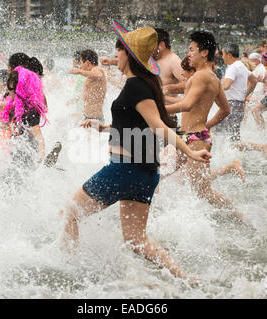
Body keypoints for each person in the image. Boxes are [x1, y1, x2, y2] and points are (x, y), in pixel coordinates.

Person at [61, 21, 212, 283]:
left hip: (124, 170)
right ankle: (187, 278)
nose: (115, 55)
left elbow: (158, 126)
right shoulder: (142, 85)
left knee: (71, 211)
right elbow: (138, 123)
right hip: (144, 173)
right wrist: (105, 127)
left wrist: (190, 151)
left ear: (128, 55)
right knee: (136, 239)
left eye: (119, 50)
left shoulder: (136, 87)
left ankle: (69, 270)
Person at [164, 32, 244, 223]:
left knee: (203, 191)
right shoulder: (213, 77)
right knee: (161, 174)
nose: (188, 54)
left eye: (192, 49)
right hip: (192, 136)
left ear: (205, 52)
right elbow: (225, 110)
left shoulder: (202, 76)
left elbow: (187, 105)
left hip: (195, 140)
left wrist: (157, 110)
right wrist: (204, 126)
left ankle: (239, 217)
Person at [217, 43, 267, 157]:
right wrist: (244, 95)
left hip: (231, 106)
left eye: (223, 54)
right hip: (238, 105)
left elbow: (226, 85)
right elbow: (254, 80)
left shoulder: (232, 67)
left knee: (227, 137)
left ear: (229, 55)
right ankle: (226, 156)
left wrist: (211, 89)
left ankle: (260, 147)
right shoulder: (241, 65)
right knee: (229, 137)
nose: (222, 57)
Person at [0, 66, 48, 168]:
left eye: (10, 88)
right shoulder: (16, 106)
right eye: (7, 87)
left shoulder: (30, 111)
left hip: (27, 161)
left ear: (20, 89)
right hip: (16, 159)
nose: (7, 92)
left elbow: (39, 137)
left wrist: (41, 156)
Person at [68, 49, 107, 124]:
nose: (80, 65)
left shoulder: (97, 69)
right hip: (88, 118)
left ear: (87, 63)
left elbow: (98, 75)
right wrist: (76, 98)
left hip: (95, 119)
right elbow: (89, 93)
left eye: (81, 62)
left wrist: (79, 71)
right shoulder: (91, 74)